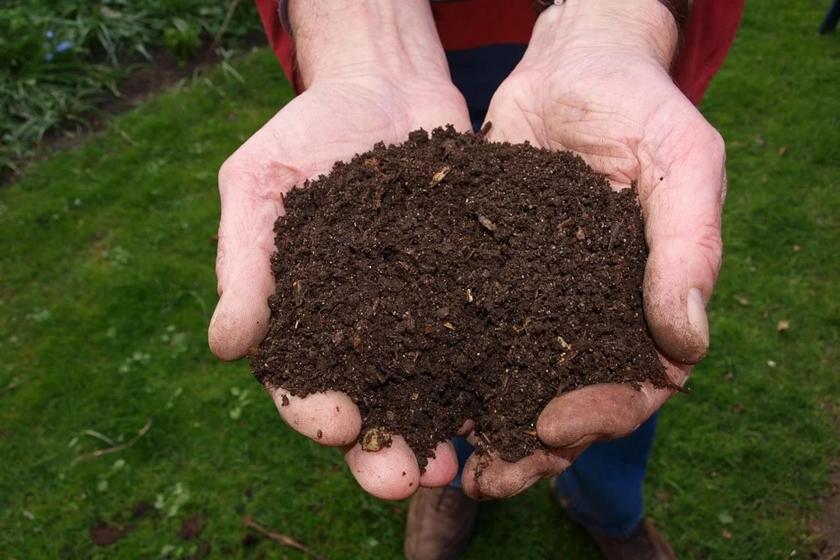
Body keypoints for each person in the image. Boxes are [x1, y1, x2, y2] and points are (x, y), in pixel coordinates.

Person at [209, 1, 744, 558]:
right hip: (435, 33)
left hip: (610, 37)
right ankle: (449, 471)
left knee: (616, 365)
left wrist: (616, 23)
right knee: (459, 391)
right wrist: (362, 33)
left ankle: (608, 508)